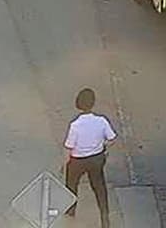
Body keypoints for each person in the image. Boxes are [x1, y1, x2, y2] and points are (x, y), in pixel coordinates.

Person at [63, 88, 117, 228]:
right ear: (93, 103)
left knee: (71, 185)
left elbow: (69, 147)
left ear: (78, 104)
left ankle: (71, 210)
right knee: (99, 187)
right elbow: (112, 139)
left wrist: (65, 163)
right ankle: (105, 218)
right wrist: (103, 146)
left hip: (77, 161)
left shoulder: (75, 126)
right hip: (96, 159)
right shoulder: (101, 121)